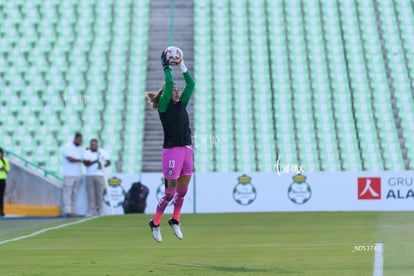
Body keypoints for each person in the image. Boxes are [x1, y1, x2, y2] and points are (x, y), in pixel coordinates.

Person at [145, 49, 195, 243]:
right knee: (169, 192)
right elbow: (168, 82)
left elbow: (191, 84)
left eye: (177, 90)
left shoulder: (182, 103)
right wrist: (165, 65)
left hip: (187, 150)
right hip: (171, 152)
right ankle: (155, 223)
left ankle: (175, 220)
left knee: (182, 192)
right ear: (167, 93)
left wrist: (181, 65)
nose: (177, 91)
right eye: (173, 89)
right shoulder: (165, 107)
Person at [83, 139, 110, 217]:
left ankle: (100, 210)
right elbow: (86, 163)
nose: (93, 146)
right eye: (91, 145)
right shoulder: (86, 152)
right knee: (90, 194)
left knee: (100, 194)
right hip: (89, 175)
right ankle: (90, 211)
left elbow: (108, 162)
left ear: (97, 145)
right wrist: (96, 161)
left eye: (94, 144)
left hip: (100, 175)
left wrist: (102, 165)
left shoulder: (102, 152)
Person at [61, 132, 83, 217]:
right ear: (75, 139)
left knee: (74, 193)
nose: (80, 141)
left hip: (77, 173)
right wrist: (80, 160)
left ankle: (73, 210)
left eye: (81, 140)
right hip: (68, 174)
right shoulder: (67, 147)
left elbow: (82, 158)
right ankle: (68, 210)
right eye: (79, 140)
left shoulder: (80, 148)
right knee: (68, 193)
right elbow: (70, 158)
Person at [0, 148, 10, 217]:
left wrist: (4, 169)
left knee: (1, 196)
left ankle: (1, 211)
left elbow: (7, 171)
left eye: (1, 153)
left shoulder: (5, 161)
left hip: (2, 180)